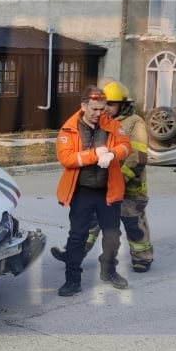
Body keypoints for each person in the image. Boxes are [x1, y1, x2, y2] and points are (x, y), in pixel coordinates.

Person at [49, 80, 153, 281]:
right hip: (102, 188)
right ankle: (74, 255)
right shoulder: (98, 122)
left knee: (133, 224)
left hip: (130, 186)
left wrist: (117, 176)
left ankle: (142, 257)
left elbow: (138, 157)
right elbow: (70, 156)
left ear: (123, 105)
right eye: (103, 105)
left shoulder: (134, 123)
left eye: (111, 105)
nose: (106, 109)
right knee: (90, 226)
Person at [54, 86, 131, 297]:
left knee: (112, 236)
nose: (99, 113)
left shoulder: (113, 125)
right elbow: (66, 158)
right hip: (82, 192)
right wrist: (95, 155)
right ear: (83, 106)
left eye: (102, 109)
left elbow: (126, 146)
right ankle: (72, 280)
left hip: (108, 190)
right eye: (94, 109)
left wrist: (113, 154)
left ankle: (108, 271)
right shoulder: (69, 129)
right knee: (77, 236)